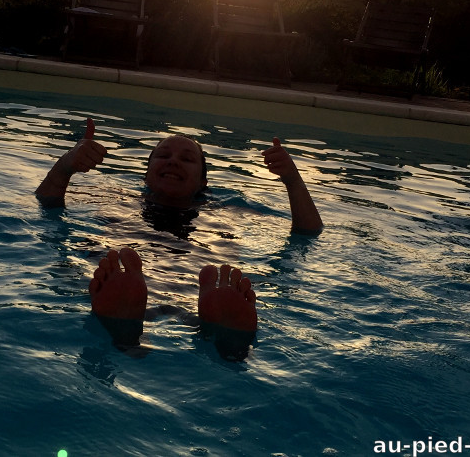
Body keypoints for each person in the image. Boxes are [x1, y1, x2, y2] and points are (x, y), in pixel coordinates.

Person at [36, 118, 323, 359]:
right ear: (146, 174)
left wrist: (293, 179)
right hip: (183, 281)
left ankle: (126, 331)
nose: (173, 161)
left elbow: (307, 231)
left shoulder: (229, 211)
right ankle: (226, 342)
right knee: (100, 265)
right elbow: (48, 203)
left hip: (183, 281)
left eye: (186, 159)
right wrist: (66, 165)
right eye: (164, 156)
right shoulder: (116, 198)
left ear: (203, 182)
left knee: (84, 272)